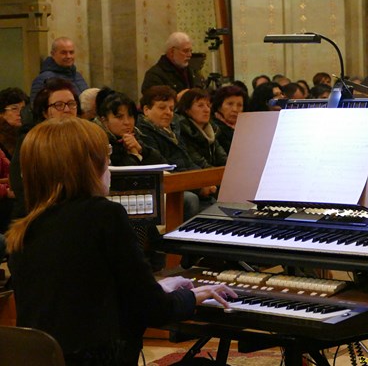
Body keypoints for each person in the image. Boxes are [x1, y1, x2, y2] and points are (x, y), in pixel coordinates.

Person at [5, 117, 235, 365]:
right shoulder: (103, 214)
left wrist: (160, 288)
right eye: (104, 155)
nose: (110, 162)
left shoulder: (23, 229)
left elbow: (84, 301)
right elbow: (154, 310)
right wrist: (191, 297)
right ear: (85, 167)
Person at [137, 85, 213, 218]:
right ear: (146, 110)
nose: (168, 112)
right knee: (190, 200)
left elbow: (188, 161)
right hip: (165, 186)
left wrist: (204, 180)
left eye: (171, 109)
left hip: (184, 182)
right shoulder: (143, 134)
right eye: (162, 108)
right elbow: (165, 167)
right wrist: (198, 186)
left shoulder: (173, 130)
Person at [11, 78, 82, 220]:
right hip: (37, 214)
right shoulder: (31, 140)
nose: (67, 110)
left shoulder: (83, 137)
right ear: (45, 112)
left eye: (71, 104)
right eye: (59, 105)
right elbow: (21, 186)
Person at [96, 90, 164, 166]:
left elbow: (162, 164)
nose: (127, 122)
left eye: (130, 116)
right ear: (104, 120)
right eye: (119, 117)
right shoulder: (99, 143)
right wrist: (134, 154)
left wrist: (142, 150)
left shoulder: (137, 135)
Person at [141, 32, 205, 99]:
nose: (190, 55)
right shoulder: (155, 75)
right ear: (171, 52)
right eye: (185, 51)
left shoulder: (192, 72)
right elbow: (151, 103)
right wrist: (176, 99)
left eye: (190, 51)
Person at [177, 88, 228, 169]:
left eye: (208, 105)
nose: (207, 110)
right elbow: (200, 164)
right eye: (200, 105)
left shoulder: (213, 130)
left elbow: (224, 159)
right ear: (187, 109)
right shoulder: (183, 131)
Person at [29, 37, 89, 102]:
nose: (68, 56)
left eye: (71, 52)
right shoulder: (44, 79)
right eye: (63, 53)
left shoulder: (78, 76)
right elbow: (36, 107)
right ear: (53, 54)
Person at [212, 85, 247, 154]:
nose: (235, 109)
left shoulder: (246, 126)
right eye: (230, 104)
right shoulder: (214, 128)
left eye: (239, 105)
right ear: (219, 106)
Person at [0, 87, 28, 159]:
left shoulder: (29, 132)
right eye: (14, 109)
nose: (20, 113)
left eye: (23, 108)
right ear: (2, 113)